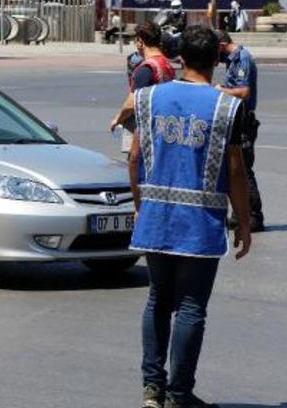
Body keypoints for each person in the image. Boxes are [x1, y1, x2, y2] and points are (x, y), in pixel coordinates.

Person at [129, 26, 252, 408]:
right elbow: (235, 171)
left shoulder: (148, 98)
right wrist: (244, 222)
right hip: (200, 223)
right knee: (190, 307)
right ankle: (179, 394)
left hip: (156, 215)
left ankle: (152, 390)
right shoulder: (226, 107)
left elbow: (134, 157)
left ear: (180, 58)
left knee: (158, 300)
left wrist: (140, 204)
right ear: (216, 59)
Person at [215, 30, 265, 232]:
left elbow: (244, 92)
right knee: (233, 169)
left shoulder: (242, 58)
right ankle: (238, 214)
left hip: (244, 120)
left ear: (221, 45)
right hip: (235, 118)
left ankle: (254, 216)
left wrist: (220, 90)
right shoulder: (232, 60)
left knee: (244, 169)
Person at [110, 21, 176, 154]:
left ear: (140, 42)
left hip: (147, 132)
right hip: (164, 126)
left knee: (135, 160)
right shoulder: (166, 64)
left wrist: (118, 119)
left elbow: (132, 103)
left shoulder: (146, 68)